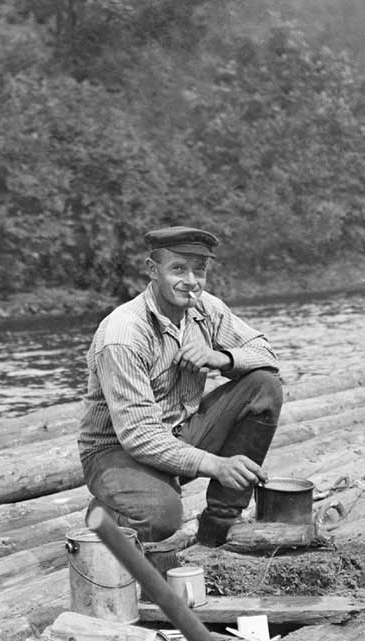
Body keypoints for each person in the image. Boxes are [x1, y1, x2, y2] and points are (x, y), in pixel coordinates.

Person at [78, 225, 283, 547]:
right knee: (160, 517)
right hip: (116, 452)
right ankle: (106, 514)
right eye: (178, 269)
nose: (191, 281)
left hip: (179, 432)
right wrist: (216, 465)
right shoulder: (124, 334)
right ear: (152, 270)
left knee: (263, 385)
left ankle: (221, 523)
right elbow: (139, 435)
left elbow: (267, 355)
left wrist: (220, 358)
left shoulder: (205, 308)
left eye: (199, 270)